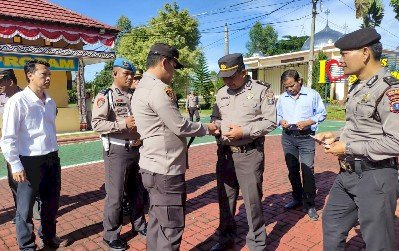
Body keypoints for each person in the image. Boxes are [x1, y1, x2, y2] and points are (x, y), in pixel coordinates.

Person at [315, 27, 399, 250]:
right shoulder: (358, 86)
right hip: (347, 174)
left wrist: (348, 146)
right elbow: (362, 127)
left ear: (365, 53)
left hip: (376, 176)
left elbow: (396, 142)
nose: (340, 60)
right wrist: (336, 135)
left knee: (378, 243)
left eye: (344, 54)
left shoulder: (390, 90)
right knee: (332, 223)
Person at [131, 43, 219, 251]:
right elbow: (180, 125)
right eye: (173, 66)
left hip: (151, 165)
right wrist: (209, 127)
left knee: (157, 222)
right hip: (166, 169)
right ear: (165, 62)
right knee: (171, 226)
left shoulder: (141, 86)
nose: (174, 73)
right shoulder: (159, 89)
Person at [210, 53, 277, 251]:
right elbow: (218, 117)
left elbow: (270, 121)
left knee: (252, 201)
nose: (228, 81)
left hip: (249, 153)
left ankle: (257, 243)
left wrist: (244, 132)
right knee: (225, 199)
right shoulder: (221, 93)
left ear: (243, 72)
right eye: (224, 77)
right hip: (225, 154)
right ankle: (225, 240)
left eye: (231, 76)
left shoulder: (261, 91)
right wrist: (216, 126)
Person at [1, 60, 68, 250]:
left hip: (51, 158)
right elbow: (8, 137)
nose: (48, 78)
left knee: (51, 202)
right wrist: (15, 164)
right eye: (43, 74)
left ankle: (49, 237)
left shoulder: (50, 101)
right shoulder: (17, 101)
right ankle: (27, 245)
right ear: (29, 75)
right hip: (28, 161)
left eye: (49, 75)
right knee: (25, 208)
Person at [92, 58, 147, 251]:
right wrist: (122, 124)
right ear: (115, 74)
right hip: (117, 151)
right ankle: (110, 235)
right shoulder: (105, 96)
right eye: (126, 73)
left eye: (132, 74)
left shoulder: (135, 95)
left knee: (137, 191)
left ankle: (139, 224)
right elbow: (97, 124)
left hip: (137, 149)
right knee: (115, 196)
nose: (130, 77)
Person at [276, 69, 326, 220]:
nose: (290, 89)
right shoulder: (283, 98)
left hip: (306, 137)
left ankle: (310, 204)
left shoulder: (312, 95)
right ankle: (297, 198)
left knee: (308, 170)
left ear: (300, 81)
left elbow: (322, 113)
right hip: (288, 137)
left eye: (292, 85)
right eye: (286, 87)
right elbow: (277, 115)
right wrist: (281, 121)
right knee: (292, 170)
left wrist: (308, 122)